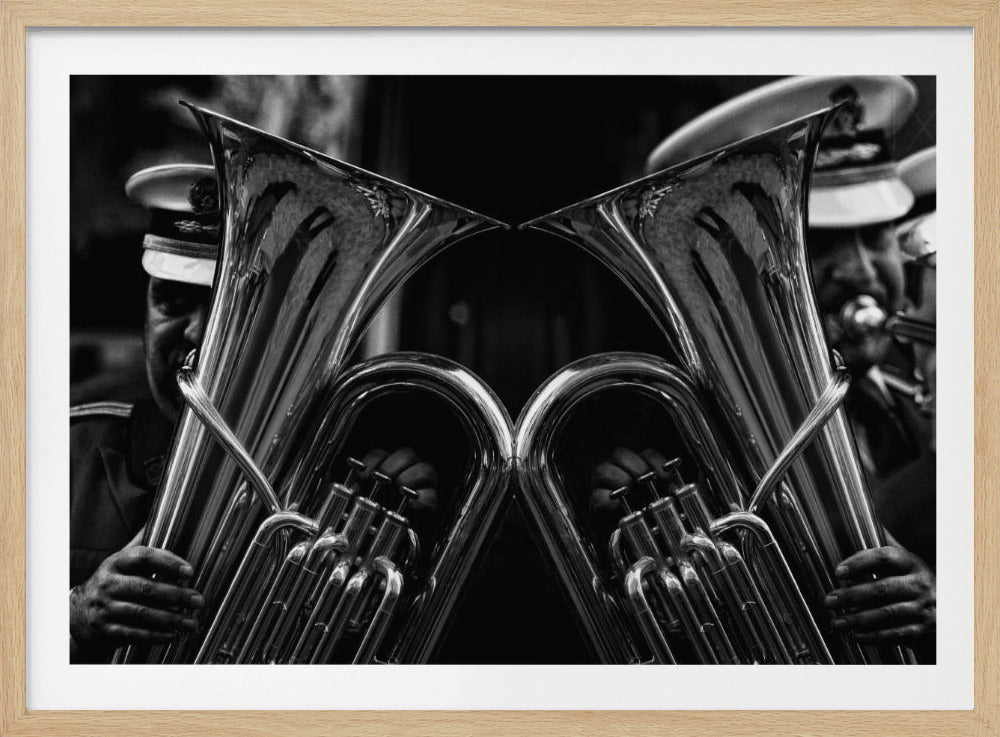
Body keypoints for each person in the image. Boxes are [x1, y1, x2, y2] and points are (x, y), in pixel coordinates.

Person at [591, 76, 935, 657]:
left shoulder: (933, 414)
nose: (861, 272)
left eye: (877, 236)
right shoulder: (680, 461)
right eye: (819, 243)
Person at [70, 164, 437, 662]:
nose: (196, 333)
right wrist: (73, 616)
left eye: (232, 308)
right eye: (171, 300)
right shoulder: (67, 454)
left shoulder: (346, 486)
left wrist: (406, 564)